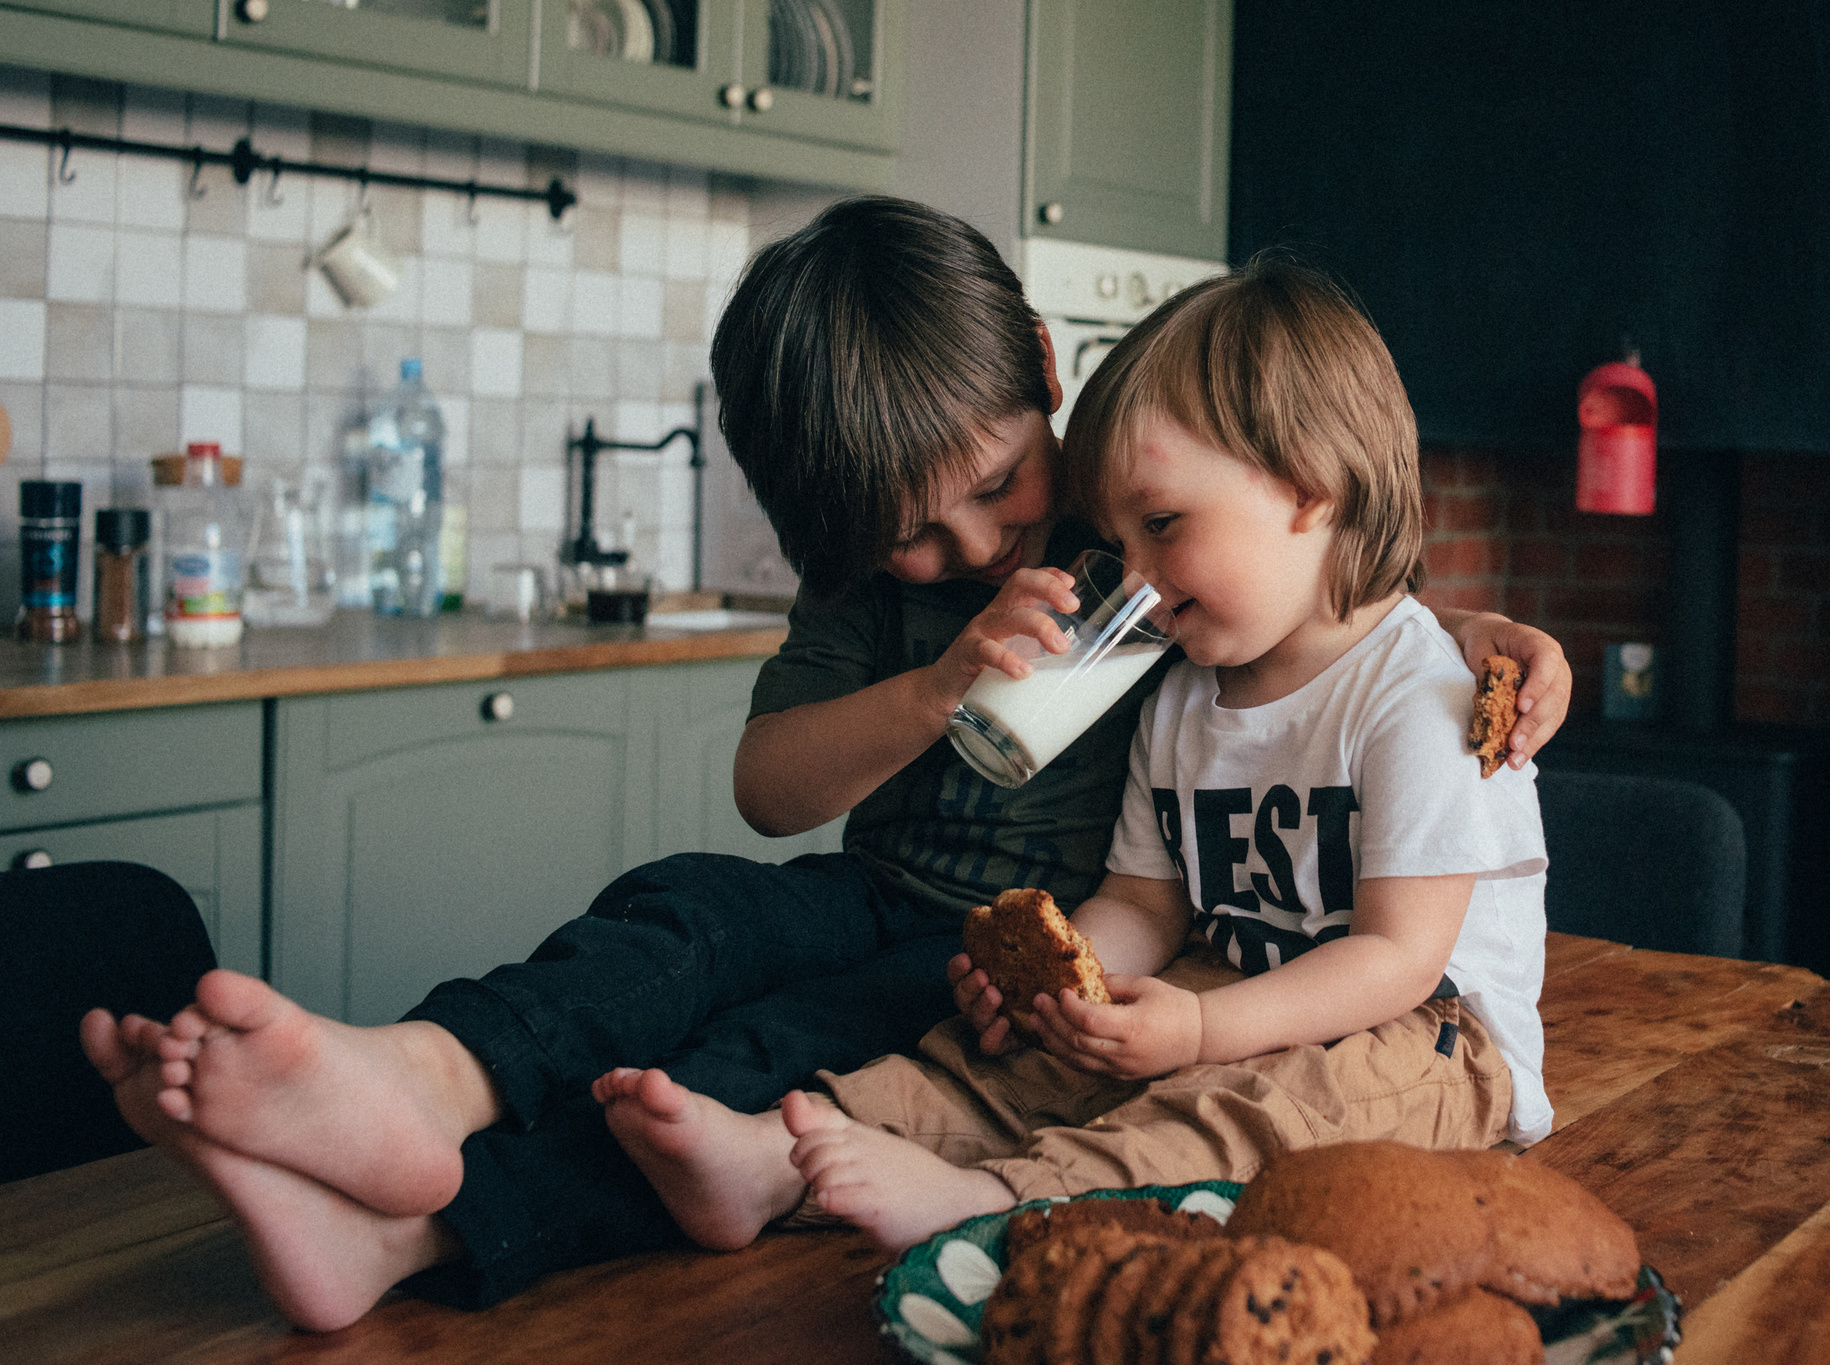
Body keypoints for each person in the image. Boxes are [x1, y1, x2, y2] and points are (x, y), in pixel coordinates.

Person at [78, 198, 1572, 1332]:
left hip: (1031, 966)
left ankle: (425, 1231)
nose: (982, 546)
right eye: (918, 531)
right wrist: (936, 679)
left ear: (1045, 376)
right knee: (687, 910)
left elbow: (1324, 615)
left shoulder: (1140, 551)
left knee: (767, 1056)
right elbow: (773, 790)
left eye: (996, 489)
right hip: (904, 897)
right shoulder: (957, 585)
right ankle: (420, 1071)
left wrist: (1479, 635)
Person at [582, 255, 1549, 1257]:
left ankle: (985, 1198)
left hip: (1427, 1040)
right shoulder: (1178, 691)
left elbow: (1398, 958)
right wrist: (1062, 991)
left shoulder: (1417, 697)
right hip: (1231, 983)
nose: (1132, 579)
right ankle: (778, 1160)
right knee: (1015, 1063)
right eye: (1120, 540)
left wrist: (1203, 1033)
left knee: (1238, 1112)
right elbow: (1141, 902)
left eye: (1162, 526)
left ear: (1309, 487)